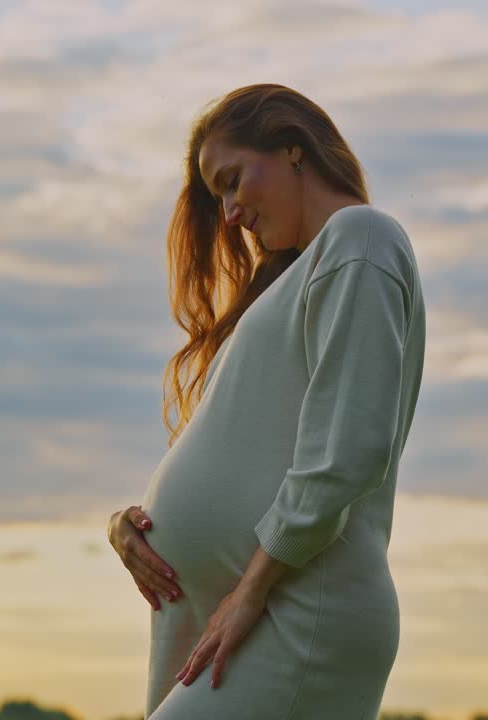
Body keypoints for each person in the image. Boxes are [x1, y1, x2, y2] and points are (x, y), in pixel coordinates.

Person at [105, 83, 426, 719]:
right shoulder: (283, 286)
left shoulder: (361, 238)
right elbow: (242, 444)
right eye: (217, 197)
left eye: (232, 181)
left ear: (291, 147)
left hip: (295, 611)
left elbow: (347, 451)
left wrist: (251, 591)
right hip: (226, 615)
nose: (228, 213)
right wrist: (135, 525)